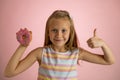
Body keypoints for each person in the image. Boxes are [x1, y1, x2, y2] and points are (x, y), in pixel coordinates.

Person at [4, 10, 115, 80]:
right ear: (48, 31)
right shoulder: (40, 53)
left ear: (70, 32)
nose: (59, 35)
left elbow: (109, 61)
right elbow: (9, 73)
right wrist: (23, 46)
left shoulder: (77, 53)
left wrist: (103, 44)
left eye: (63, 30)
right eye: (54, 30)